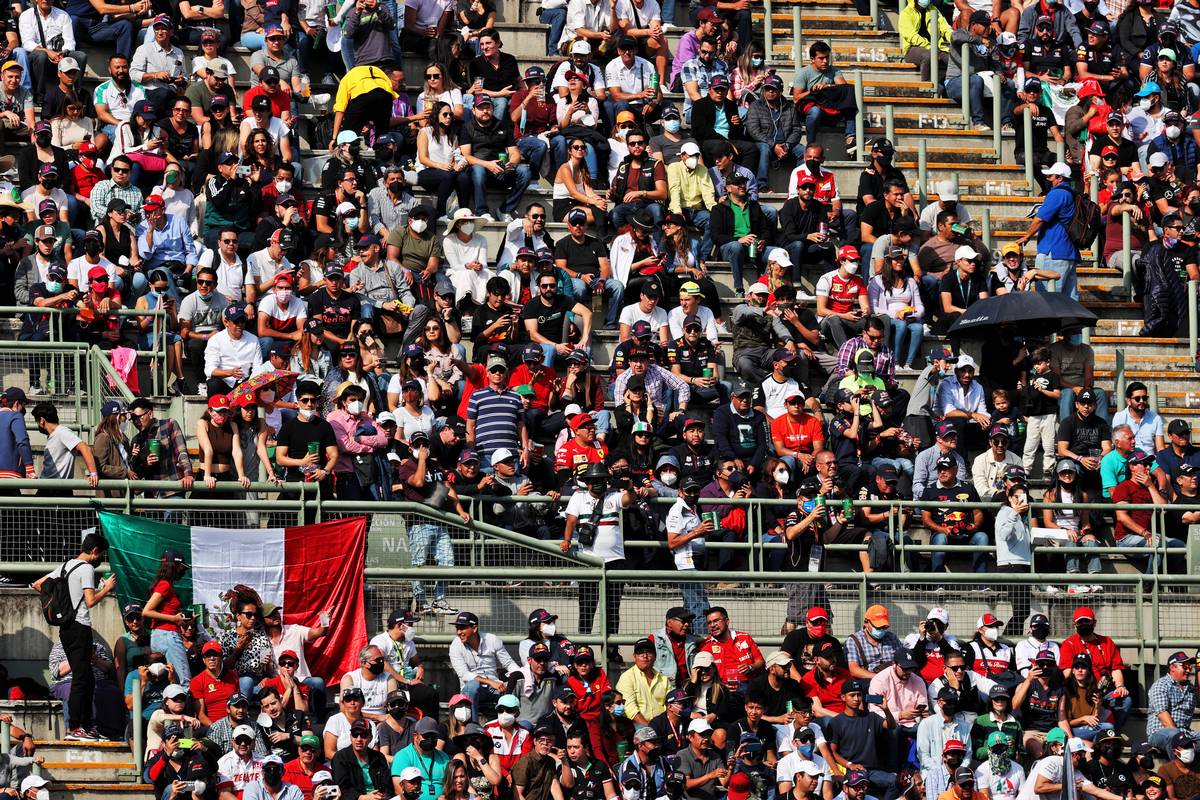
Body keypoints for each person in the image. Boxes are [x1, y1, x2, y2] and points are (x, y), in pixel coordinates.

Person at [32, 532, 115, 741]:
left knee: (87, 678)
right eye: (100, 555)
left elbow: (38, 584)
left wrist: (62, 601)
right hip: (79, 627)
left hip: (66, 628)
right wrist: (106, 588)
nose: (100, 559)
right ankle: (75, 728)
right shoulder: (86, 568)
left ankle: (86, 726)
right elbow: (91, 601)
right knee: (80, 678)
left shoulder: (66, 565)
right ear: (94, 551)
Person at [1014, 162, 1079, 300]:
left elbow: (1039, 219)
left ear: (1060, 178)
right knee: (1070, 302)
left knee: (1047, 299)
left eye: (1051, 176)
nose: (1048, 179)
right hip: (1068, 251)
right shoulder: (1071, 193)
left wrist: (1027, 236)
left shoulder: (1057, 193)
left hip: (1053, 252)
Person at [1147, 651, 1197, 751]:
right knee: (1174, 736)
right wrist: (1181, 738)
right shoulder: (1161, 685)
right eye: (1185, 666)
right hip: (1161, 732)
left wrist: (1184, 737)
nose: (1188, 670)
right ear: (1172, 667)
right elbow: (1163, 715)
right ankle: (1178, 760)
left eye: (1190, 667)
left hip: (1185, 732)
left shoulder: (1190, 689)